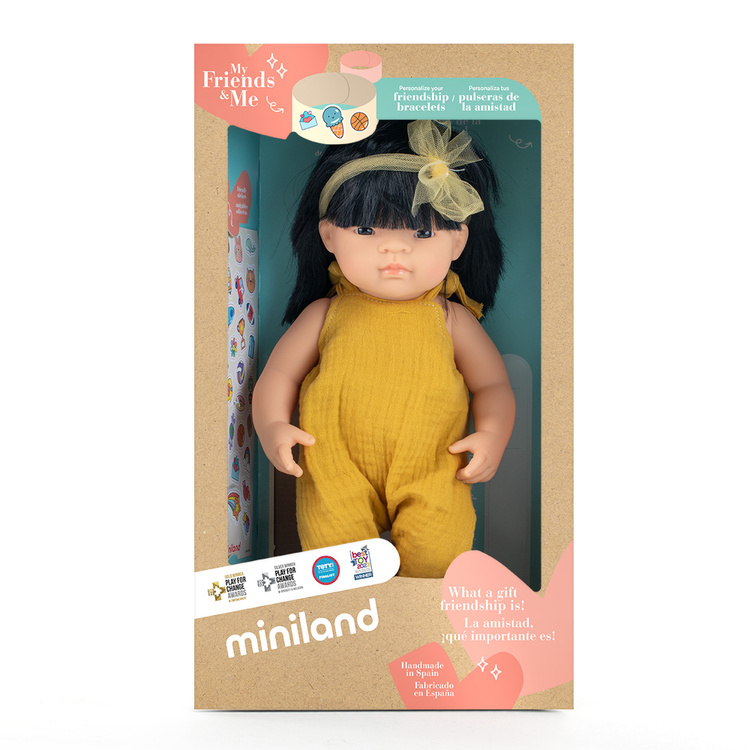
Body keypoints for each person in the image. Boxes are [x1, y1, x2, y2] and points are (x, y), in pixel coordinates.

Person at [253, 120, 516, 577]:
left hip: (434, 467)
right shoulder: (325, 314)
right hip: (334, 466)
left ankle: (420, 617)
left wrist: (493, 434)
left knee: (437, 557)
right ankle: (351, 618)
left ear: (458, 241)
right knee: (335, 563)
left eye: (422, 233)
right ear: (329, 236)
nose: (394, 249)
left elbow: (492, 385)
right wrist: (272, 423)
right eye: (366, 230)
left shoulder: (451, 320)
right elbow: (279, 376)